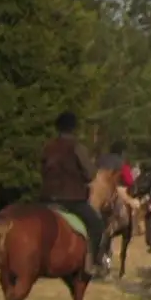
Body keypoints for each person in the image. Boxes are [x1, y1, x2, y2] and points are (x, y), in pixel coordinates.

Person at [39, 111, 107, 277]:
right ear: (74, 128)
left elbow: (42, 169)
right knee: (97, 225)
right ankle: (93, 262)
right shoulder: (77, 147)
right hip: (71, 199)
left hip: (46, 198)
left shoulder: (48, 147)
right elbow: (90, 174)